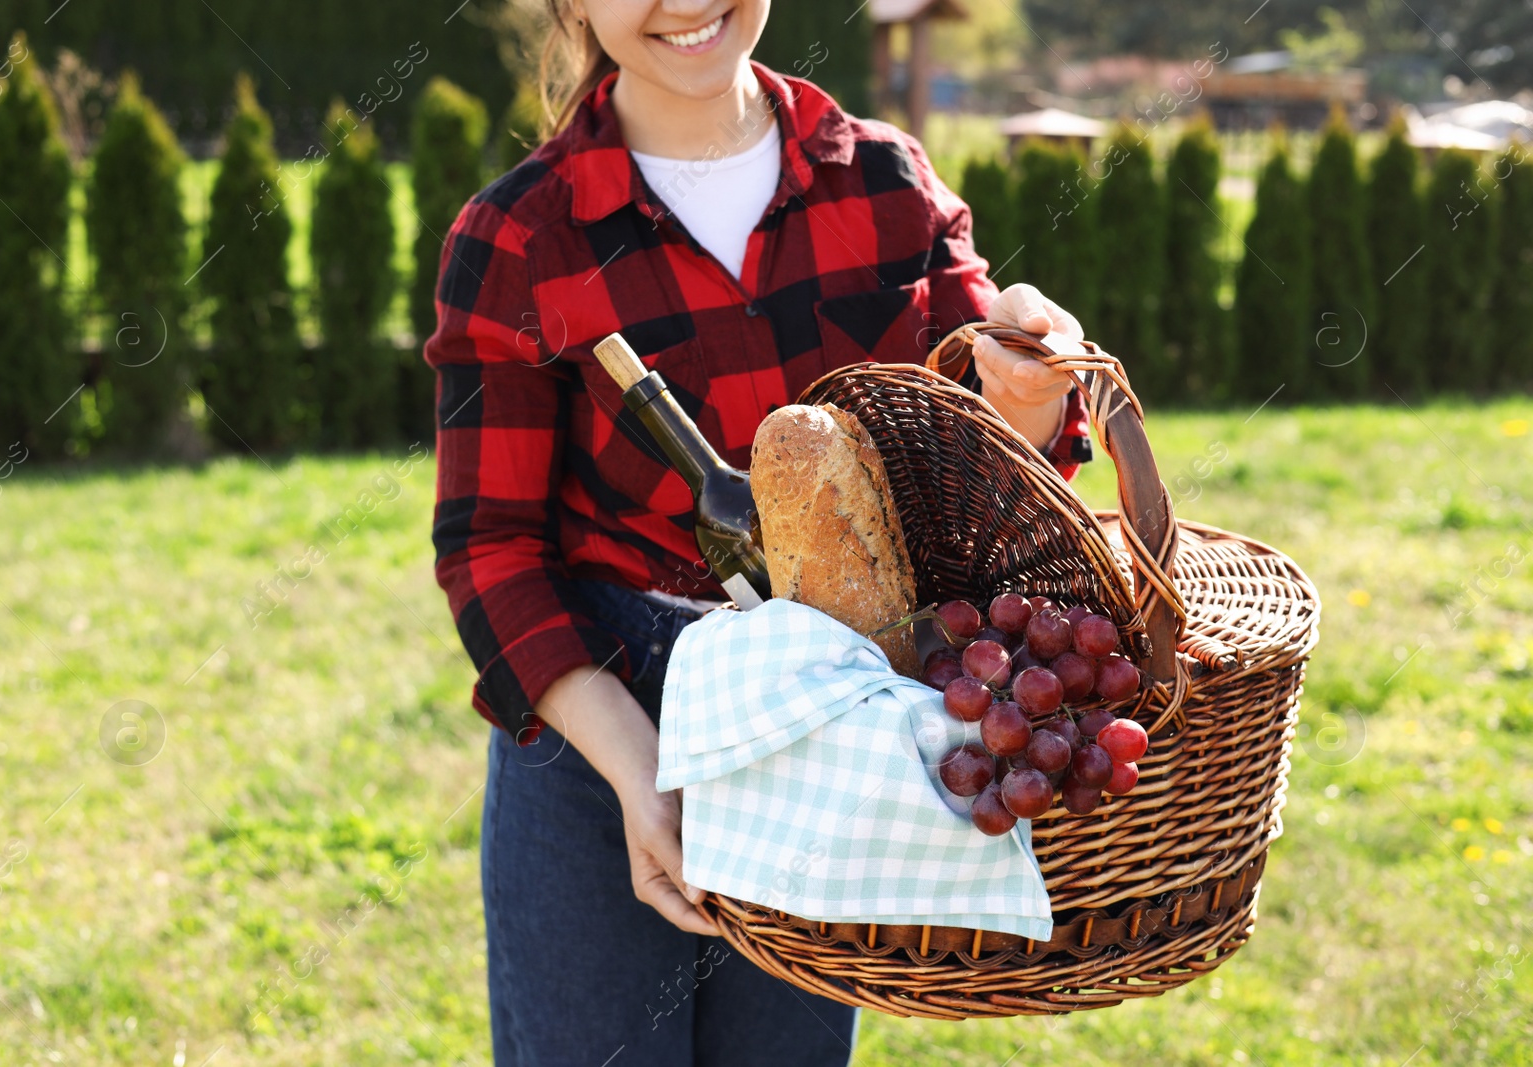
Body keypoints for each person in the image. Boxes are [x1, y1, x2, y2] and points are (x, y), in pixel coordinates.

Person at [424, 2, 1093, 1063]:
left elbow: (1000, 481)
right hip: (605, 720)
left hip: (826, 724)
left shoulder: (886, 185)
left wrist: (1029, 391)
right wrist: (638, 770)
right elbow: (489, 548)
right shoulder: (518, 235)